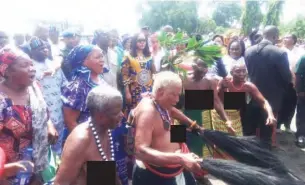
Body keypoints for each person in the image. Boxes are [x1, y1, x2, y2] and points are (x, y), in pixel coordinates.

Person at [132, 71, 204, 185]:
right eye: (174, 95)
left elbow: (172, 111)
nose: (177, 100)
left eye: (178, 95)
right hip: (156, 175)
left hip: (177, 165)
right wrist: (180, 158)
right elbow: (140, 152)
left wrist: (193, 125)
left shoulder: (160, 102)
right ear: (160, 92)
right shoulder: (148, 111)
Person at [0, 46, 57, 184]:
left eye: (32, 64)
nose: (32, 68)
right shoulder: (2, 100)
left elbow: (42, 110)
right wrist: (4, 169)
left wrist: (49, 125)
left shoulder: (34, 87)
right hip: (9, 171)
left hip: (36, 164)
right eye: (25, 65)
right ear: (7, 71)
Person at [54, 86, 124, 185]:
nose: (122, 115)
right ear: (100, 116)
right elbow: (60, 183)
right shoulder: (81, 140)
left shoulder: (105, 130)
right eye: (116, 113)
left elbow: (105, 174)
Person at [245, 25, 292, 147]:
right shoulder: (280, 53)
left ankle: (250, 152)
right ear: (275, 36)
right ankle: (265, 153)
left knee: (250, 129)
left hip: (251, 96)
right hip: (272, 98)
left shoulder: (249, 51)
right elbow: (286, 77)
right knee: (267, 130)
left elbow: (249, 73)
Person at [183, 58, 234, 159]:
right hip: (184, 117)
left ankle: (201, 170)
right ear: (193, 68)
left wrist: (227, 120)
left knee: (204, 147)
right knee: (183, 147)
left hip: (204, 118)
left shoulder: (210, 81)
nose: (202, 75)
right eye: (199, 72)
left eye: (204, 72)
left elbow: (216, 101)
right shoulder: (183, 80)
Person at [29, 37, 67, 156]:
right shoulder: (29, 68)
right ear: (32, 51)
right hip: (41, 118)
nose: (45, 50)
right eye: (41, 48)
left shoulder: (54, 66)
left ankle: (58, 171)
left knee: (58, 150)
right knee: (43, 153)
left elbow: (64, 86)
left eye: (46, 48)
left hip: (59, 115)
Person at [218, 62, 276, 139]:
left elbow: (264, 102)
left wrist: (270, 115)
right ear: (231, 73)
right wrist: (222, 88)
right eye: (238, 71)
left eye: (244, 71)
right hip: (220, 114)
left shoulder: (248, 86)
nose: (242, 74)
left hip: (237, 116)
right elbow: (215, 98)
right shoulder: (224, 81)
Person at [61, 45, 105, 132]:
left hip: (103, 133)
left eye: (102, 56)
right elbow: (70, 121)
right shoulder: (77, 86)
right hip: (88, 136)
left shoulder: (98, 77)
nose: (102, 60)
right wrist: (86, 143)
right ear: (83, 61)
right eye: (97, 57)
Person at [121, 33, 156, 116]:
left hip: (149, 89)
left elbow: (154, 73)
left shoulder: (149, 56)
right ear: (134, 42)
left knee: (149, 111)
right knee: (137, 114)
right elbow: (124, 75)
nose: (142, 43)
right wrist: (127, 92)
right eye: (139, 40)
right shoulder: (128, 56)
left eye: (144, 40)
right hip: (135, 91)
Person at [277, 34, 304, 133]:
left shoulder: (300, 52)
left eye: (287, 37)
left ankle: (287, 124)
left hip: (295, 82)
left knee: (292, 103)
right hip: (282, 82)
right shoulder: (279, 50)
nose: (284, 39)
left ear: (293, 40)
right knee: (281, 102)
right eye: (284, 37)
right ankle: (278, 125)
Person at [294, 55, 305, 148]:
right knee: (302, 116)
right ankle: (301, 136)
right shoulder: (303, 58)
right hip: (304, 93)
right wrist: (299, 90)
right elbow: (297, 75)